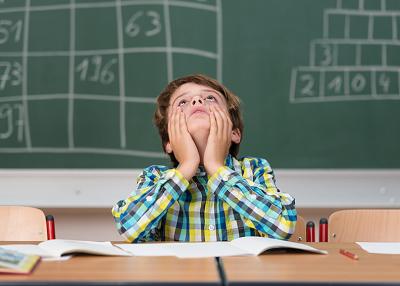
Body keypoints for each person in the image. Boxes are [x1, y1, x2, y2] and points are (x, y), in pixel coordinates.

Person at [112, 74, 297, 242]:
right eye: (182, 102)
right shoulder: (154, 177)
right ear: (168, 141)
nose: (197, 101)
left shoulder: (255, 169)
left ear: (234, 132)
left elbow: (282, 226)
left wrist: (215, 167)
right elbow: (129, 228)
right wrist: (187, 166)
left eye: (210, 98)